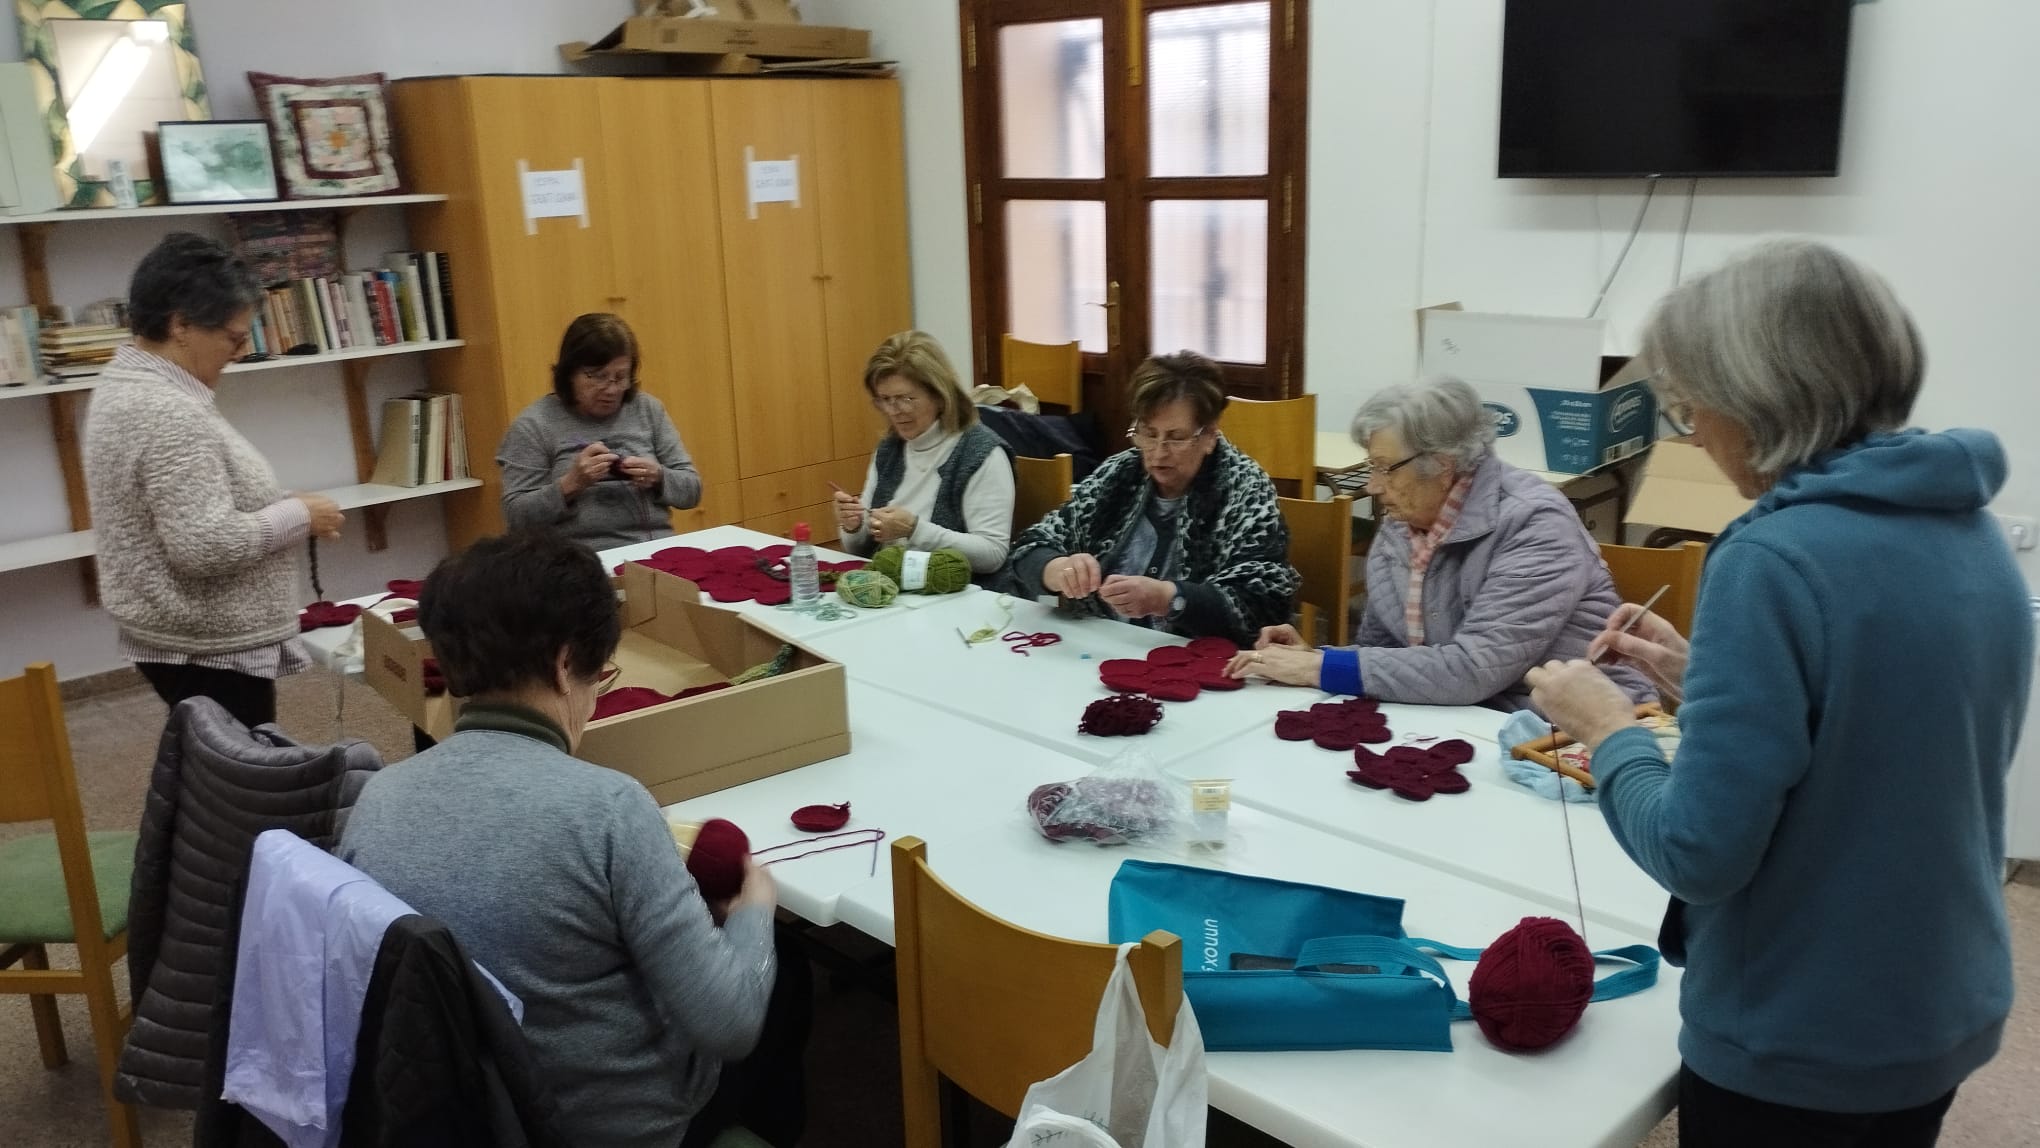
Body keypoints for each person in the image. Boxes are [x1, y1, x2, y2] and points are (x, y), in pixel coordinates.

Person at [1525, 241, 2030, 1147]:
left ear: (1756, 400)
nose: (1693, 434)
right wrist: (1704, 678)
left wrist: (1608, 728)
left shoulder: (1772, 557)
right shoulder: (1969, 525)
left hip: (1805, 1028)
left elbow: (1697, 852)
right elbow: (1882, 738)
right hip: (1937, 994)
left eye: (1692, 405)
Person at [339, 530, 780, 1148]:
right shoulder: (610, 809)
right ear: (564, 664)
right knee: (781, 989)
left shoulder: (377, 798)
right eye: (601, 674)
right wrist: (757, 909)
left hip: (455, 1115)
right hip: (612, 1128)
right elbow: (729, 1024)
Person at [1226, 378, 1652, 711]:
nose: (1373, 486)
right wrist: (1316, 656)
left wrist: (1319, 667)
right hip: (1464, 714)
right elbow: (1382, 656)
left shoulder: (1535, 525)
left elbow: (1473, 669)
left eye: (1384, 468)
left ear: (1443, 466)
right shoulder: (1402, 524)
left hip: (1571, 727)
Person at [83, 232, 344, 730]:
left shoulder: (132, 385)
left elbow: (191, 501)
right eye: (234, 338)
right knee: (237, 769)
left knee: (208, 759)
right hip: (207, 648)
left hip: (184, 637)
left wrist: (283, 505)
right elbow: (204, 545)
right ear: (180, 324)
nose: (240, 352)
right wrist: (297, 515)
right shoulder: (165, 410)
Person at [1005, 351, 1297, 646]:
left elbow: (1262, 603)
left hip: (1194, 660)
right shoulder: (1121, 474)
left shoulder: (1244, 490)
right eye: (1148, 433)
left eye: (1176, 437)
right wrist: (1056, 569)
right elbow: (1030, 546)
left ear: (1209, 435)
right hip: (1100, 647)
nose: (1158, 452)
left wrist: (1170, 598)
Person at [498, 313, 702, 551]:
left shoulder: (648, 410)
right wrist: (570, 485)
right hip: (576, 559)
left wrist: (658, 477)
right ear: (570, 374)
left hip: (654, 551)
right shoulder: (534, 425)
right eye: (598, 377)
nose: (612, 389)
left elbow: (692, 490)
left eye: (620, 377)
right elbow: (516, 517)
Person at [835, 331, 1014, 574]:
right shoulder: (889, 449)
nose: (894, 410)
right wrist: (853, 526)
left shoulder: (981, 454)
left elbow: (992, 553)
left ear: (940, 396)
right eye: (885, 399)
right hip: (892, 581)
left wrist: (914, 530)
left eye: (906, 398)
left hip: (950, 588)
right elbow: (860, 550)